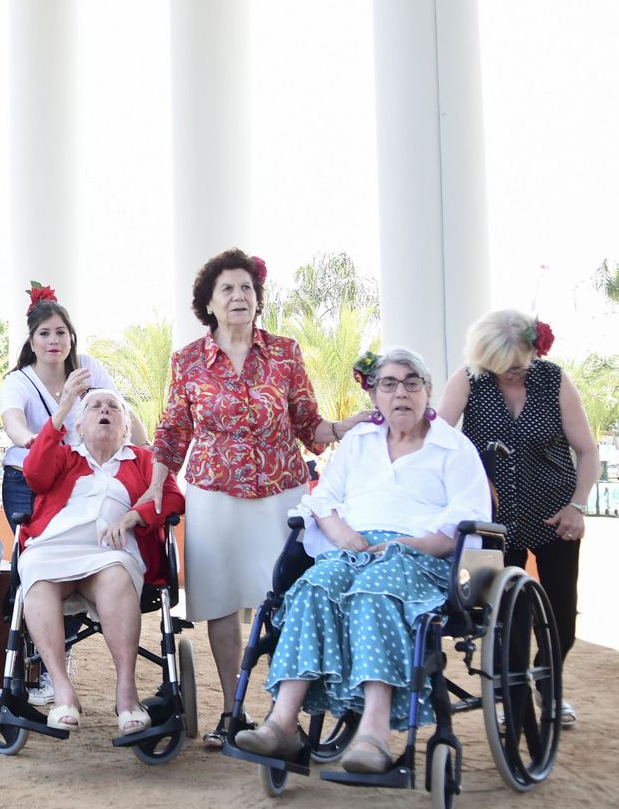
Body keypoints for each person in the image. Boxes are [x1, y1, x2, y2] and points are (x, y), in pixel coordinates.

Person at [234, 348, 491, 773]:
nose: (401, 393)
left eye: (412, 383)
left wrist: (408, 543)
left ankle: (372, 733)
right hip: (352, 548)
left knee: (375, 591)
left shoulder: (453, 448)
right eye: (388, 384)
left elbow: (465, 522)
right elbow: (324, 500)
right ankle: (282, 723)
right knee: (314, 588)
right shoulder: (359, 442)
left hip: (420, 556)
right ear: (375, 396)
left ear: (428, 392)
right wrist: (346, 537)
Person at [147, 249, 365, 750]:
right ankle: (233, 711)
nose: (239, 296)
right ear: (209, 302)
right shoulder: (187, 361)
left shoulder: (285, 353)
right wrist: (155, 483)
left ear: (257, 298)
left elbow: (308, 424)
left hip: (280, 493)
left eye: (246, 288)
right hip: (213, 494)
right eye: (227, 288)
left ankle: (280, 716)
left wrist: (343, 427)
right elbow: (173, 430)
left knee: (285, 600)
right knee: (222, 606)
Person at [438, 308, 596, 729]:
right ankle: (515, 698)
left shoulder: (554, 380)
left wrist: (577, 506)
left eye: (518, 367)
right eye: (500, 369)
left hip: (555, 515)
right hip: (490, 525)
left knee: (562, 615)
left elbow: (587, 450)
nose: (510, 375)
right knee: (507, 618)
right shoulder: (468, 381)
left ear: (533, 351)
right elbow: (436, 441)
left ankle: (549, 682)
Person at [0, 283, 144, 705]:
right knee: (38, 550)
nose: (54, 341)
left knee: (94, 549)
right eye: (45, 333)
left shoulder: (89, 369)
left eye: (61, 332)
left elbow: (119, 409)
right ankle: (42, 664)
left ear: (71, 337)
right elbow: (13, 425)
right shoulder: (19, 382)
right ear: (32, 341)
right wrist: (38, 440)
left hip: (89, 471)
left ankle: (65, 651)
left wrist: (144, 454)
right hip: (34, 472)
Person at [18, 386, 185, 733]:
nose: (104, 410)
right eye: (95, 406)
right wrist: (62, 409)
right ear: (79, 425)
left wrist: (132, 517)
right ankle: (63, 692)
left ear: (126, 426)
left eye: (113, 407)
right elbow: (34, 474)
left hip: (112, 550)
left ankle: (127, 695)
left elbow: (171, 497)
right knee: (34, 572)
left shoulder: (141, 460)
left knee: (117, 574)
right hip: (54, 546)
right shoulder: (65, 456)